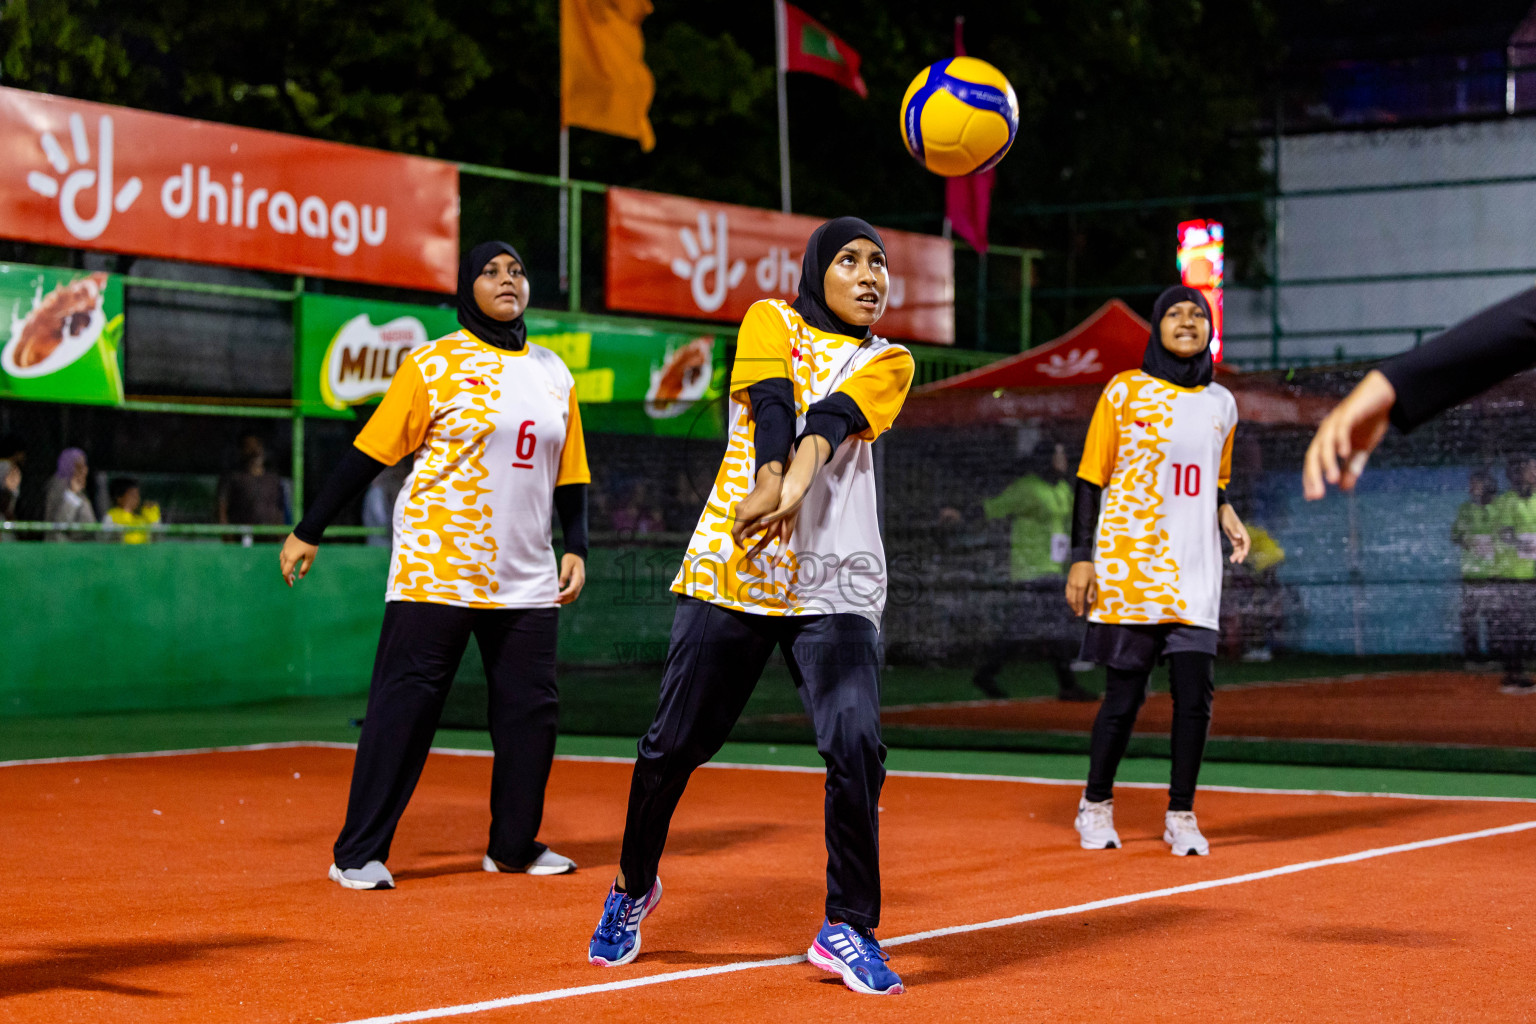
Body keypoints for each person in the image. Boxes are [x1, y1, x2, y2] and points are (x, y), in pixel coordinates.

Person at [585, 217, 914, 997]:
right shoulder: (771, 318)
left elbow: (828, 421)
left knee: (857, 745)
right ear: (815, 272)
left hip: (836, 582)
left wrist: (792, 484)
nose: (869, 275)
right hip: (735, 570)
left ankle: (848, 927)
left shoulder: (889, 360)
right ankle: (633, 886)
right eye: (849, 260)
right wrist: (767, 476)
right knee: (671, 747)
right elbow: (774, 402)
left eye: (879, 263)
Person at [279, 240, 592, 890]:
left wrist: (577, 544)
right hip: (436, 566)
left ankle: (512, 845)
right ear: (465, 287)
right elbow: (370, 454)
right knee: (406, 706)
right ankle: (357, 852)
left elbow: (572, 473)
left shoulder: (554, 373)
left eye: (518, 269)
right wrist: (310, 528)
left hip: (527, 574)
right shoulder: (433, 364)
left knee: (531, 712)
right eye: (491, 271)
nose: (508, 279)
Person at [1064, 286, 1251, 857]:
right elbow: (1090, 479)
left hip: (1196, 572)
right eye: (1176, 313)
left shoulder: (1224, 402)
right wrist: (1081, 557)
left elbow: (1213, 482)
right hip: (1130, 569)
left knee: (1194, 699)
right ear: (1158, 328)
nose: (1188, 321)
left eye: (1198, 314)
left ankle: (1182, 813)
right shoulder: (1124, 391)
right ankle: (1095, 805)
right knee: (1124, 698)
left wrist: (1228, 512)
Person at [974, 440, 1098, 701]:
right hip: (1030, 571)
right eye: (1059, 454)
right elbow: (992, 508)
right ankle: (988, 673)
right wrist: (960, 514)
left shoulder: (1063, 489)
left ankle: (1064, 684)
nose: (1063, 460)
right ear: (1047, 458)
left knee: (1048, 628)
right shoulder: (1027, 489)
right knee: (1027, 628)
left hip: (1052, 569)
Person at [1488, 458, 1536, 693]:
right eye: (1530, 469)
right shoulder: (1506, 502)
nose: (1534, 473)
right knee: (1513, 626)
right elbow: (1505, 534)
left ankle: (1519, 672)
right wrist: (1523, 543)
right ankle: (1511, 675)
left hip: (1530, 574)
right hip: (1509, 575)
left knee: (1527, 627)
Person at [1452, 469, 1500, 667]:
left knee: (1494, 616)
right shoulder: (1465, 509)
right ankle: (1472, 657)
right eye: (1471, 484)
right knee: (1470, 616)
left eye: (1476, 484)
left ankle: (1496, 655)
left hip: (1495, 573)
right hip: (1472, 573)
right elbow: (1455, 535)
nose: (1472, 488)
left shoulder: (1499, 508)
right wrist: (1468, 541)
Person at [217, 434, 287, 537]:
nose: (254, 451)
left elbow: (280, 510)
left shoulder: (273, 479)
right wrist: (228, 536)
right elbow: (222, 507)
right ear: (241, 451)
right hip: (243, 537)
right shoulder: (234, 477)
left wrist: (280, 535)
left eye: (257, 446)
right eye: (249, 447)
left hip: (270, 538)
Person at [43, 447, 96, 541]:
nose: (85, 470)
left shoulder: (80, 490)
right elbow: (60, 523)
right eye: (79, 466)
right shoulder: (59, 486)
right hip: (61, 547)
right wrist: (72, 494)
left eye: (85, 466)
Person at [361, 460, 409, 548]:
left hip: (394, 544)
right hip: (380, 545)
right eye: (394, 468)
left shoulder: (400, 489)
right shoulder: (377, 491)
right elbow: (381, 519)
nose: (397, 472)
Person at [103, 476, 160, 544]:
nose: (136, 499)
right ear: (119, 498)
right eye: (132, 495)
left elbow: (156, 538)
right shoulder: (111, 516)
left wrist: (154, 520)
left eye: (137, 495)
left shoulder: (141, 517)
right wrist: (125, 513)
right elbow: (107, 538)